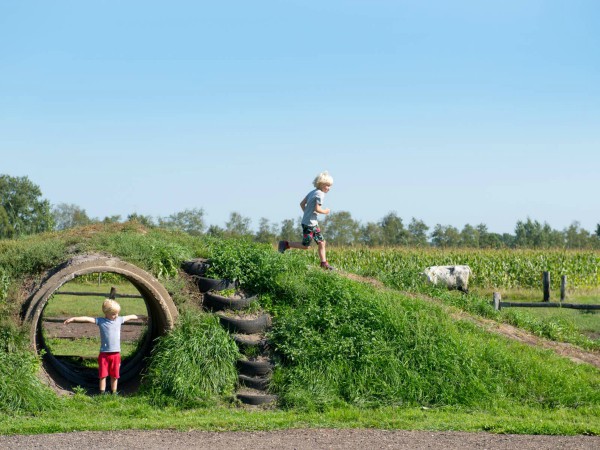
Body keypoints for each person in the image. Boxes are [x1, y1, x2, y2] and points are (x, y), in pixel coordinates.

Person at [63, 299, 147, 395]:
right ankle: (102, 392)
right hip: (104, 354)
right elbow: (87, 318)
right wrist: (73, 319)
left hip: (116, 354)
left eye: (117, 313)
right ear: (106, 313)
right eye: (114, 314)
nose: (116, 316)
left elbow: (132, 316)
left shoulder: (119, 320)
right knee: (103, 375)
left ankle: (113, 392)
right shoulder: (101, 321)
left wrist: (142, 317)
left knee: (115, 375)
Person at [278, 170, 335, 270]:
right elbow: (317, 209)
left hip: (311, 223)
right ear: (321, 184)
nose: (329, 188)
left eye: (330, 186)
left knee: (322, 242)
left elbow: (301, 204)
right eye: (327, 185)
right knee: (305, 246)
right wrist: (325, 211)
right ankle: (285, 244)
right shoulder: (320, 194)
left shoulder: (312, 192)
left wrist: (307, 214)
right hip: (309, 224)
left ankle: (324, 263)